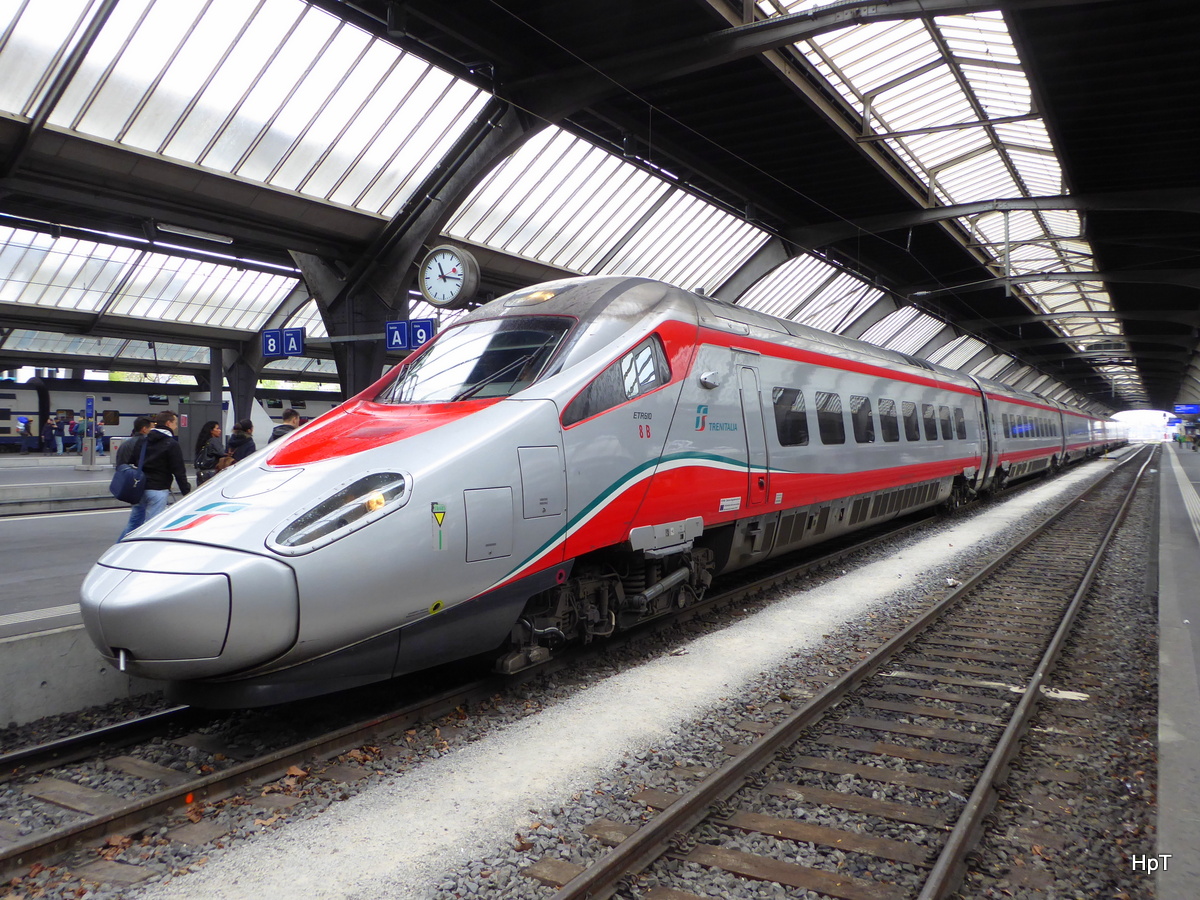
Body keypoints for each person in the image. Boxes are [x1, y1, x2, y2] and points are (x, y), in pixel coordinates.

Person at [118, 410, 191, 540]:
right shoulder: (171, 444)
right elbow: (179, 470)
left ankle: (119, 547)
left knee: (134, 524)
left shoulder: (143, 441)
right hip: (158, 489)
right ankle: (143, 550)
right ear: (168, 423)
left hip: (139, 488)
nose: (176, 426)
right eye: (175, 423)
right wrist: (186, 491)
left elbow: (132, 461)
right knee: (152, 526)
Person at [193, 420, 223, 486]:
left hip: (202, 472)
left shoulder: (203, 442)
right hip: (211, 472)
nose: (220, 430)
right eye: (217, 428)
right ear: (211, 431)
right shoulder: (214, 441)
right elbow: (222, 453)